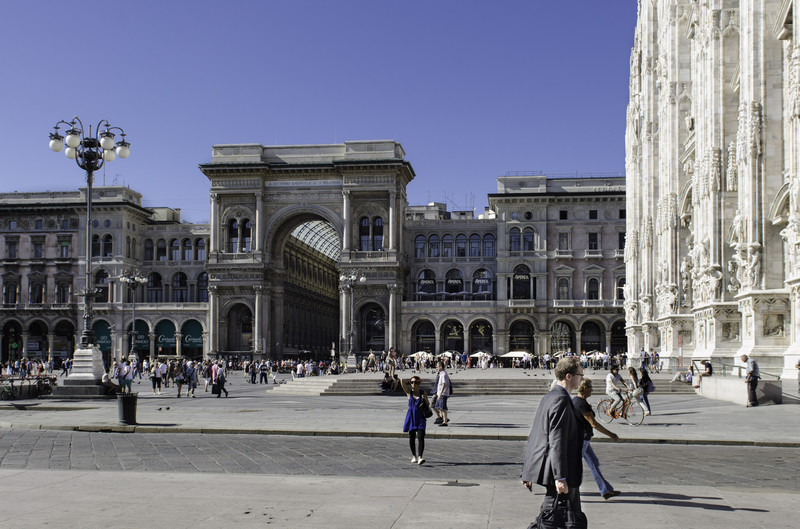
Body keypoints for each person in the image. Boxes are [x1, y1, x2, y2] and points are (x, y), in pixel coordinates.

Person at [521, 357, 585, 522]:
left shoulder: (550, 396)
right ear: (569, 376)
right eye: (580, 375)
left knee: (565, 518)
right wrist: (560, 477)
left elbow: (536, 434)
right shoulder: (561, 400)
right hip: (561, 471)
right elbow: (557, 440)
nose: (582, 379)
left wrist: (528, 471)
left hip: (558, 470)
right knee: (553, 518)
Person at [573, 378, 620, 500]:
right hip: (582, 439)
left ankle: (605, 490)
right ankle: (571, 491)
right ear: (585, 388)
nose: (592, 390)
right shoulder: (581, 404)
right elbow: (593, 424)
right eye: (590, 387)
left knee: (594, 462)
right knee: (575, 466)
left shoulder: (577, 401)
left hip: (583, 438)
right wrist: (611, 434)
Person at [400, 375, 430, 464]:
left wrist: (425, 400)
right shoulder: (409, 392)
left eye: (415, 382)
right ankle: (414, 456)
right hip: (411, 417)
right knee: (412, 437)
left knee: (421, 436)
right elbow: (402, 381)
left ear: (419, 383)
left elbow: (428, 404)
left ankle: (420, 456)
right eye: (412, 382)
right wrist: (409, 381)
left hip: (420, 417)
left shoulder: (422, 392)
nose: (413, 384)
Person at [434, 362, 451, 426]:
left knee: (443, 408)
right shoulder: (441, 374)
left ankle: (445, 422)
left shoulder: (443, 374)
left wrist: (440, 394)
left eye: (437, 366)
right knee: (437, 406)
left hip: (443, 394)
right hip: (440, 393)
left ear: (441, 367)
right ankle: (444, 418)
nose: (436, 367)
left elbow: (444, 384)